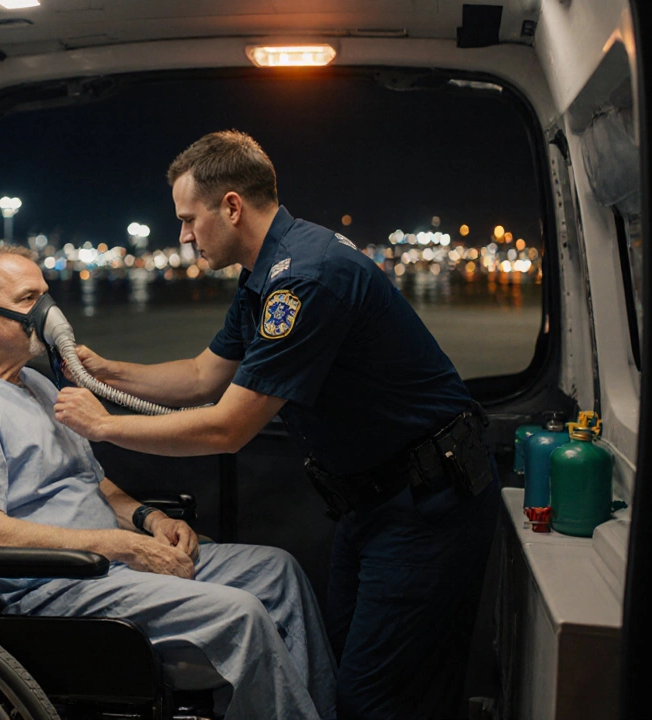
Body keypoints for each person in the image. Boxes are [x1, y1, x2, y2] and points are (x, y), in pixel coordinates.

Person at [52, 130, 501, 720]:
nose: (183, 236)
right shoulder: (265, 271)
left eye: (189, 219)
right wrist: (106, 370)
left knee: (376, 699)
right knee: (343, 672)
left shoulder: (304, 279)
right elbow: (200, 376)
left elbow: (226, 428)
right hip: (372, 503)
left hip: (426, 505)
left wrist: (103, 427)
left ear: (231, 206)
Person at [0, 245, 337, 720]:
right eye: (30, 298)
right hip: (52, 586)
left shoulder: (38, 384)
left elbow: (94, 482)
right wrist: (121, 547)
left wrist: (149, 520)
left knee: (278, 571)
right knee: (242, 614)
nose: (51, 313)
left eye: (47, 295)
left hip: (110, 566)